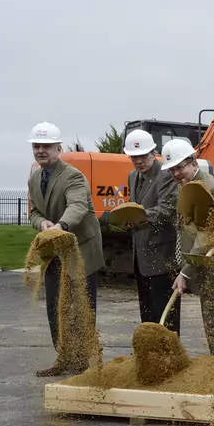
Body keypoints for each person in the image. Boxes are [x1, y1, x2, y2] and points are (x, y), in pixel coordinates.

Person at [27, 122, 104, 377]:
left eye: (46, 146)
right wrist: (43, 223)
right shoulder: (35, 177)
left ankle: (84, 361)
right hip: (54, 250)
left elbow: (78, 207)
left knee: (81, 306)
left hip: (80, 248)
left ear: (57, 148)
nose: (41, 151)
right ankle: (63, 356)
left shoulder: (72, 176)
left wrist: (59, 226)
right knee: (55, 304)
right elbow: (34, 212)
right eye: (37, 146)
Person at [164, 139, 214, 362]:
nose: (176, 174)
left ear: (192, 162)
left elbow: (206, 238)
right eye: (172, 170)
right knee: (213, 328)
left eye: (179, 167)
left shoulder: (212, 191)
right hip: (207, 269)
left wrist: (185, 272)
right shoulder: (190, 185)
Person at [102, 130, 181, 333]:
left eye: (142, 156)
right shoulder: (133, 176)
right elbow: (136, 206)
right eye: (134, 157)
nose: (138, 161)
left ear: (153, 153)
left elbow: (168, 208)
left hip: (163, 257)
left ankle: (169, 358)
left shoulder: (166, 174)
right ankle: (150, 357)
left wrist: (137, 218)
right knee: (147, 315)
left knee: (165, 317)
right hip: (141, 256)